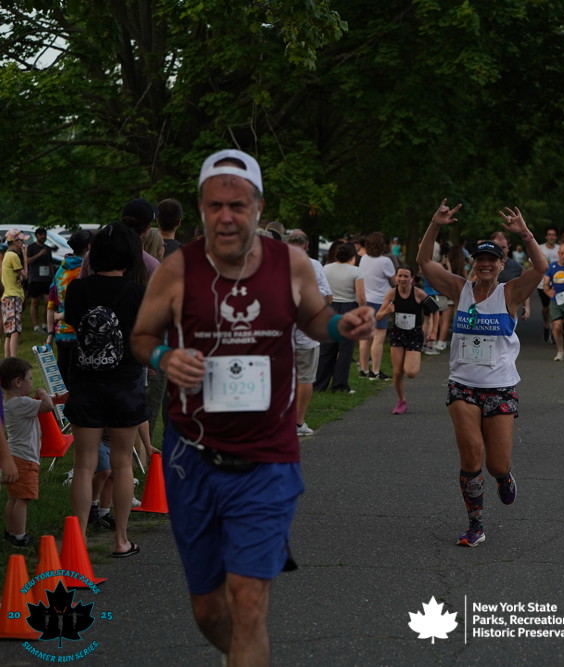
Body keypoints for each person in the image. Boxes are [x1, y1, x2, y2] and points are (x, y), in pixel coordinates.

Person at [130, 149, 375, 664]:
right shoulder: (177, 269)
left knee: (248, 603)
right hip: (192, 457)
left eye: (238, 205)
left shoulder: (291, 264)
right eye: (215, 205)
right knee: (208, 610)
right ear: (201, 209)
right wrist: (163, 357)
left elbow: (315, 319)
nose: (226, 217)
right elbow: (142, 336)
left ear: (258, 208)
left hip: (267, 458)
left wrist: (341, 326)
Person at [417, 199, 546, 547]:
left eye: (493, 259)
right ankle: (475, 524)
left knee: (496, 465)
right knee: (471, 455)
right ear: (474, 263)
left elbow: (540, 267)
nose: (486, 264)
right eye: (481, 259)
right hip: (463, 387)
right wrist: (435, 224)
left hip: (500, 388)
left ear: (502, 264)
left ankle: (504, 478)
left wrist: (525, 233)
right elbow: (424, 262)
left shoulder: (510, 293)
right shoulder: (459, 289)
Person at [63, 221, 147, 558]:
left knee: (84, 464)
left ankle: (78, 541)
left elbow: (72, 324)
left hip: (85, 382)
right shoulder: (138, 293)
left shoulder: (77, 289)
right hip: (125, 384)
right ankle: (121, 540)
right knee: (122, 462)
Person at [1, 356, 63, 547]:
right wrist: (43, 393)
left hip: (14, 456)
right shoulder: (21, 403)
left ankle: (11, 532)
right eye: (29, 379)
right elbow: (47, 406)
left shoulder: (9, 403)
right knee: (24, 499)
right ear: (17, 382)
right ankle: (20, 536)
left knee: (13, 498)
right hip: (25, 459)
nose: (31, 383)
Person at [287, 230, 332, 436]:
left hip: (282, 330)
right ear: (306, 246)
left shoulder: (276, 263)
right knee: (305, 377)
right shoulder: (313, 265)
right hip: (307, 330)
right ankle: (298, 423)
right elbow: (328, 297)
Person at [376, 265, 434, 415]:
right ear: (396, 277)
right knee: (397, 372)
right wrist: (387, 311)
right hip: (397, 334)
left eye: (406, 276)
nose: (402, 279)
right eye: (400, 276)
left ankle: (412, 363)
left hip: (414, 334)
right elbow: (378, 316)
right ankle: (401, 401)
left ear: (412, 278)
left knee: (411, 372)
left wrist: (433, 331)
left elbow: (435, 310)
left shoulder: (419, 293)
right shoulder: (391, 294)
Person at [315, 242, 365, 393]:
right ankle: (340, 385)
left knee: (326, 349)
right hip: (348, 308)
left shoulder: (326, 268)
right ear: (352, 256)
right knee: (345, 350)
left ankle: (319, 384)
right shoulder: (356, 271)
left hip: (330, 308)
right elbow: (361, 297)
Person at [46, 230, 92, 383]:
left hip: (61, 335)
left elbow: (51, 304)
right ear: (88, 247)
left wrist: (50, 334)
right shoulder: (87, 272)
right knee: (80, 382)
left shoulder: (60, 271)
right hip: (81, 335)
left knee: (64, 381)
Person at [357, 231, 396, 380]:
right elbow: (394, 282)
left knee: (365, 338)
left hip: (365, 301)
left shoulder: (363, 259)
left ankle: (363, 370)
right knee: (378, 337)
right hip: (380, 302)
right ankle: (375, 371)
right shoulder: (385, 261)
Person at [2, 229, 29, 359]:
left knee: (9, 333)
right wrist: (24, 255)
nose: (23, 242)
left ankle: (8, 361)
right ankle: (13, 360)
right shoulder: (13, 256)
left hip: (7, 297)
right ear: (15, 241)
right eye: (21, 240)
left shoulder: (7, 255)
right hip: (13, 297)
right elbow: (25, 275)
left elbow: (20, 276)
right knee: (15, 331)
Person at [25, 228, 54, 333]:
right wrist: (39, 254)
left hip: (46, 279)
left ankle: (45, 324)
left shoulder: (48, 249)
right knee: (35, 302)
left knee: (48, 303)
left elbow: (50, 263)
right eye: (41, 235)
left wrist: (53, 277)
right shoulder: (31, 247)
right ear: (36, 235)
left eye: (44, 234)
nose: (43, 236)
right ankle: (36, 326)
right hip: (35, 279)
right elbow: (27, 261)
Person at [536, 226, 561, 343]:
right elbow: (532, 264)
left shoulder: (560, 249)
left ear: (556, 237)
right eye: (549, 234)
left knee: (556, 307)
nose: (551, 237)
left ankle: (555, 331)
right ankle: (546, 324)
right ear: (546, 236)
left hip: (558, 283)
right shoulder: (539, 248)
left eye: (553, 235)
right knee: (546, 308)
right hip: (543, 283)